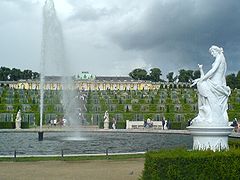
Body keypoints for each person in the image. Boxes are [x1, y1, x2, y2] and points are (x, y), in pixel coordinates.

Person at [191, 45, 231, 126]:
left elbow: (213, 71)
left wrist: (201, 79)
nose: (212, 54)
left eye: (213, 52)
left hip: (216, 83)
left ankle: (205, 113)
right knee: (200, 84)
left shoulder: (219, 57)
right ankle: (204, 112)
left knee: (200, 84)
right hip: (214, 81)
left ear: (217, 51)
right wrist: (201, 72)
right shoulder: (222, 58)